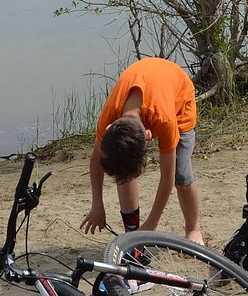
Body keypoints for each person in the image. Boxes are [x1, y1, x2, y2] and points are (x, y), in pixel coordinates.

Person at [80, 57, 204, 245]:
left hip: (179, 94)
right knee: (124, 169)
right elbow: (96, 159)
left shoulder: (163, 121)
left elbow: (167, 178)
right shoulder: (109, 118)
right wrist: (97, 204)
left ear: (148, 135)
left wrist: (151, 224)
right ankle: (132, 231)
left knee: (182, 174)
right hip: (149, 78)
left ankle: (193, 228)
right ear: (109, 129)